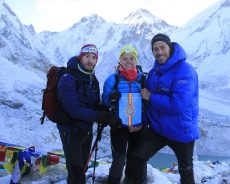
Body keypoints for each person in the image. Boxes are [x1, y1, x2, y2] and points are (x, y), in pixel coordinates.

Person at [125, 34, 199, 184]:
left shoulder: (185, 71)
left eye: (162, 47)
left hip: (181, 130)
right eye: (155, 49)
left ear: (170, 47)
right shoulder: (154, 72)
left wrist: (151, 96)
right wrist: (141, 121)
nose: (159, 52)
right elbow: (147, 102)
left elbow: (178, 105)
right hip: (159, 128)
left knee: (185, 169)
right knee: (137, 157)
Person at [56, 44, 122, 184]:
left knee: (83, 168)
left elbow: (93, 105)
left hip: (86, 131)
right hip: (71, 132)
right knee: (75, 171)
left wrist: (105, 109)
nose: (90, 60)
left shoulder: (92, 79)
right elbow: (73, 109)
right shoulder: (68, 78)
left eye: (94, 58)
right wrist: (99, 116)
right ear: (80, 57)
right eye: (87, 56)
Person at [102, 44, 146, 184]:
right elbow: (105, 103)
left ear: (136, 60)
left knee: (137, 160)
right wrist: (111, 99)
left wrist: (143, 123)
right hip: (119, 127)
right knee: (118, 161)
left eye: (131, 58)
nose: (128, 61)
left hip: (138, 127)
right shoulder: (112, 80)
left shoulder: (143, 79)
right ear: (120, 61)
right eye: (125, 58)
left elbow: (149, 105)